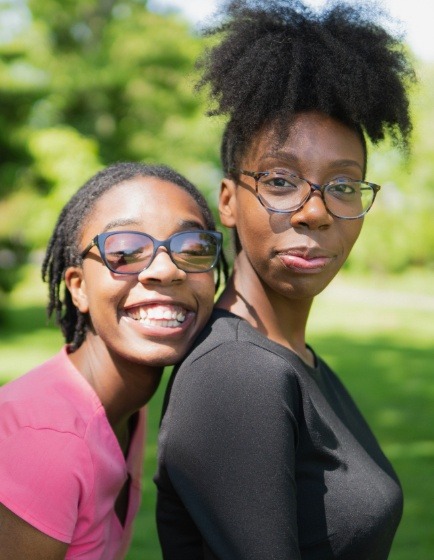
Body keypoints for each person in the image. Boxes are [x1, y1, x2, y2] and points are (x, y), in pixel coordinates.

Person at [155, 1, 415, 559]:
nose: (315, 211)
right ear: (228, 201)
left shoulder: (295, 359)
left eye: (344, 186)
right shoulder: (235, 375)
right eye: (280, 181)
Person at [0, 161, 225, 560]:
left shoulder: (124, 410)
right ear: (78, 287)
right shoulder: (47, 439)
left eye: (192, 248)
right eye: (124, 250)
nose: (165, 270)